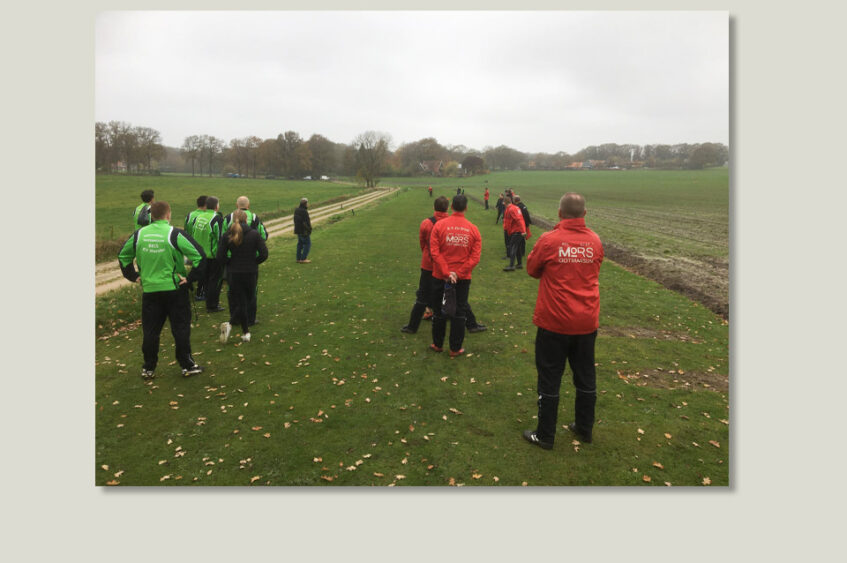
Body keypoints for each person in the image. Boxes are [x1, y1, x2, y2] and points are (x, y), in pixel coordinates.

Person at [522, 193, 604, 449]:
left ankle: (545, 435)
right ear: (584, 214)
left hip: (554, 322)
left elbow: (533, 269)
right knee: (586, 376)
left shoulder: (549, 240)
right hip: (586, 321)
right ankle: (584, 428)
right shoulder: (595, 241)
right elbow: (595, 268)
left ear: (559, 213)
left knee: (549, 377)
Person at [118, 201, 207, 379]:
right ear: (168, 215)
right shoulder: (174, 233)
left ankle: (148, 368)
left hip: (150, 290)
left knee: (151, 331)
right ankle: (187, 365)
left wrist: (133, 276)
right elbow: (200, 256)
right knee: (180, 329)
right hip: (174, 289)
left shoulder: (139, 234)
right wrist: (190, 279)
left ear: (151, 216)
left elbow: (123, 256)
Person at [429, 194, 481, 357]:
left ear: (451, 207)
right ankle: (455, 348)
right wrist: (457, 274)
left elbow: (434, 252)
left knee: (438, 311)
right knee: (459, 312)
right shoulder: (473, 229)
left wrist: (446, 272)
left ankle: (438, 344)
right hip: (462, 279)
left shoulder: (439, 226)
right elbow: (475, 257)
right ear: (466, 208)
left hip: (440, 277)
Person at [218, 209, 269, 345]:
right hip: (250, 272)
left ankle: (246, 332)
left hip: (233, 273)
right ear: (246, 219)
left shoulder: (227, 235)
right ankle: (232, 325)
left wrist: (230, 264)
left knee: (241, 300)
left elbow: (220, 256)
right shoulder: (254, 234)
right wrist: (254, 262)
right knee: (246, 300)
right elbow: (264, 254)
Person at [401, 196, 450, 334]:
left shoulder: (426, 223)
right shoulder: (450, 224)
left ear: (434, 207)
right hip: (445, 265)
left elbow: (422, 242)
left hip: (428, 264)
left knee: (422, 295)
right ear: (447, 208)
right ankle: (452, 317)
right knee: (449, 292)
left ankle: (412, 326)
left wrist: (427, 255)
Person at [223, 196, 268, 325]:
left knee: (233, 291)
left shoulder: (227, 218)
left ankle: (235, 318)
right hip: (250, 260)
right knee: (251, 291)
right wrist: (256, 259)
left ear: (236, 205)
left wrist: (227, 260)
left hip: (232, 261)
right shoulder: (254, 218)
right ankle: (250, 319)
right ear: (248, 206)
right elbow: (263, 235)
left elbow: (222, 237)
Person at [190, 195, 225, 312]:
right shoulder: (217, 219)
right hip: (212, 256)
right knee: (214, 281)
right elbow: (221, 238)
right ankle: (212, 305)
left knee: (204, 279)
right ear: (216, 206)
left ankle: (202, 296)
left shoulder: (198, 217)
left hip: (200, 254)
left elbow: (193, 233)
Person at [502, 195, 527, 271]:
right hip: (517, 230)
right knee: (518, 247)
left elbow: (519, 220)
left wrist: (523, 231)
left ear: (505, 202)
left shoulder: (511, 209)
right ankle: (519, 264)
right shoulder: (515, 208)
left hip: (517, 231)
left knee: (513, 246)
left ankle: (511, 265)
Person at [514, 194, 533, 261]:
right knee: (523, 239)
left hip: (521, 225)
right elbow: (527, 215)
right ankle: (522, 251)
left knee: (520, 238)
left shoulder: (517, 207)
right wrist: (528, 223)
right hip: (525, 224)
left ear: (515, 200)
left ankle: (520, 252)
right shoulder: (524, 206)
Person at [294, 198, 312, 263]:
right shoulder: (304, 211)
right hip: (304, 231)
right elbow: (306, 222)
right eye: (307, 203)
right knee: (308, 244)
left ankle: (298, 259)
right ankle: (303, 259)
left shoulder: (296, 210)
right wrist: (309, 229)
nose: (308, 204)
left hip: (298, 230)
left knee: (300, 244)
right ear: (305, 204)